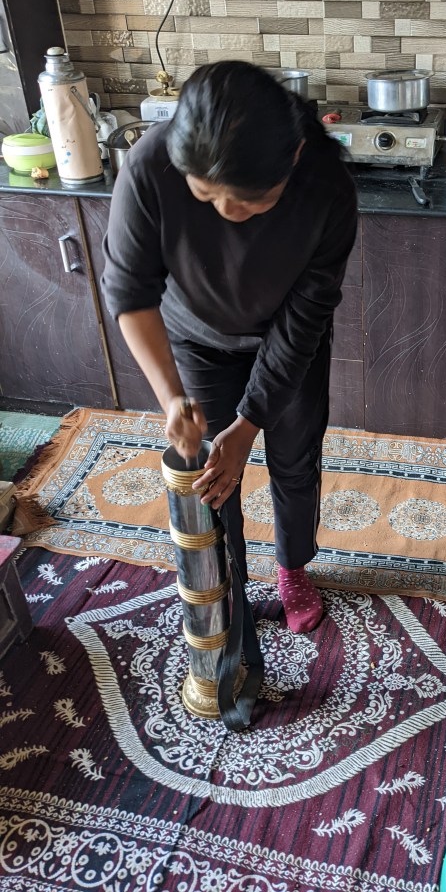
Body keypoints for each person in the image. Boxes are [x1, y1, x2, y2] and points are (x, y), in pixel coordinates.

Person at [102, 61, 358, 634]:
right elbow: (129, 293)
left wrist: (249, 424)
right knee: (212, 474)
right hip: (196, 338)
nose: (225, 213)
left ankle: (292, 566)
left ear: (292, 158)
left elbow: (307, 314)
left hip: (288, 340)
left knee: (294, 458)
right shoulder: (149, 166)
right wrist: (172, 398)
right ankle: (231, 577)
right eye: (206, 195)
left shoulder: (326, 187)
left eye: (248, 202)